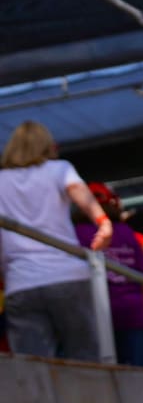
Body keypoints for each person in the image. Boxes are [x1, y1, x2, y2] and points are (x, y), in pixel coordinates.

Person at [0, 121, 112, 362]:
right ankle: (86, 400)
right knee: (85, 360)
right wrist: (102, 221)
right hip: (68, 276)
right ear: (47, 146)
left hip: (21, 281)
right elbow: (79, 192)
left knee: (32, 366)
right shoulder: (59, 169)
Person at [74, 182, 143, 367]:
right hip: (132, 312)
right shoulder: (126, 231)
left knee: (98, 373)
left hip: (95, 312)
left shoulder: (77, 232)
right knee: (138, 374)